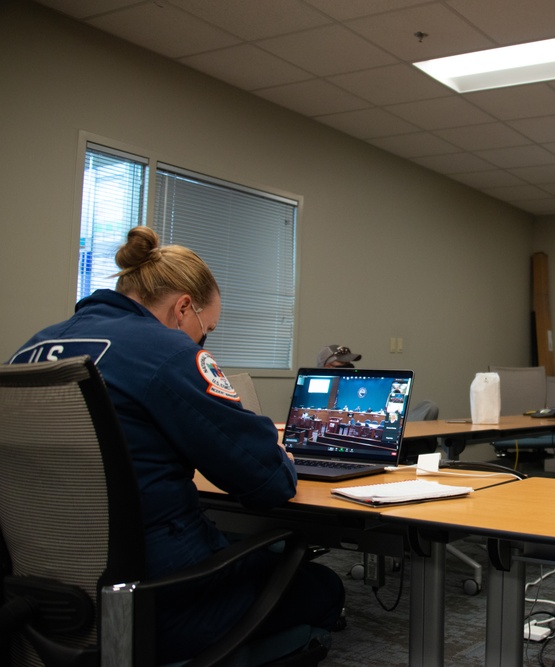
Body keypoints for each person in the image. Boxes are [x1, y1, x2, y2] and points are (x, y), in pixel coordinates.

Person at [7, 227, 344, 663]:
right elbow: (268, 482)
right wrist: (277, 453)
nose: (203, 342)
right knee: (322, 586)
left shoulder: (34, 346)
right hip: (162, 599)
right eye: (207, 331)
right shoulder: (167, 351)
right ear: (184, 307)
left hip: (45, 600)